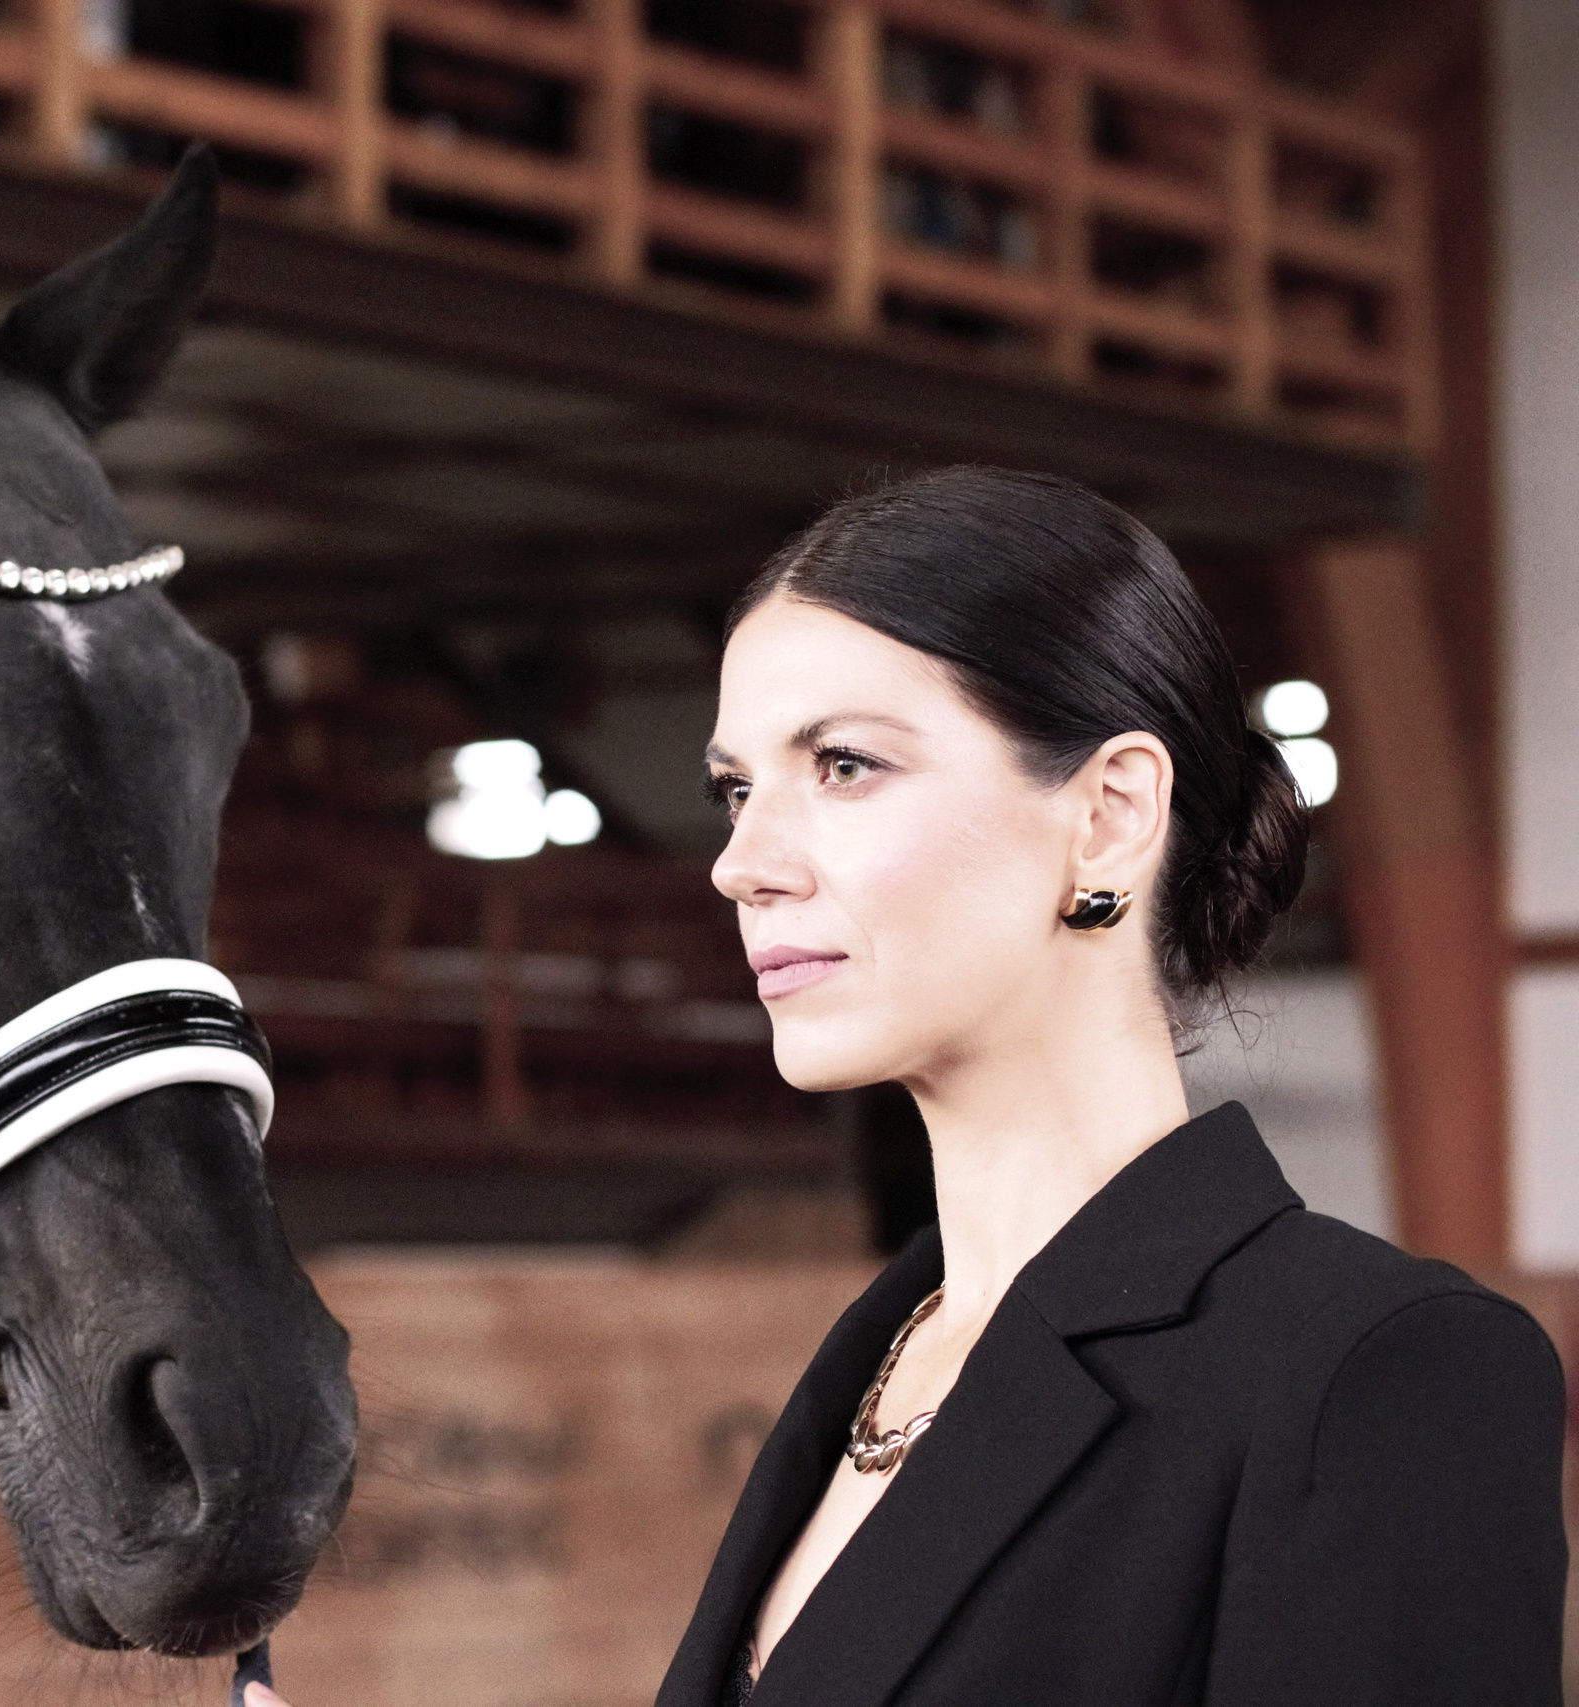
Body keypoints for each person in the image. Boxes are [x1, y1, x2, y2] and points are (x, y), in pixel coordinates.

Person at [249, 466, 1568, 1706]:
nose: (742, 862)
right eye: (732, 790)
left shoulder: (1374, 1374)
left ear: (1108, 814)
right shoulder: (874, 1362)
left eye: (844, 767)